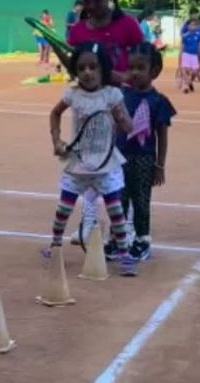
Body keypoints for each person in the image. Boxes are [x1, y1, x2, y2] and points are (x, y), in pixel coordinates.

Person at [46, 42, 138, 276]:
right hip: (78, 162)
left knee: (115, 210)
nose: (87, 72)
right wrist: (56, 140)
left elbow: (129, 127)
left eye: (93, 67)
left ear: (103, 68)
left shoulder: (112, 95)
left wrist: (122, 119)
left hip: (106, 163)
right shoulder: (73, 94)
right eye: (81, 68)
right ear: (75, 71)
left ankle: (125, 254)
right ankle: (55, 246)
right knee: (63, 208)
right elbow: (55, 113)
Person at [61, 0, 144, 246]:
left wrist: (125, 76)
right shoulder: (78, 31)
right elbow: (75, 68)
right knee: (89, 163)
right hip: (90, 105)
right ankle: (89, 222)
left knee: (121, 165)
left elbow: (143, 60)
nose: (92, 5)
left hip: (121, 101)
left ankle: (127, 225)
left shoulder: (128, 25)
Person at [105, 42, 176, 262]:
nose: (134, 73)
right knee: (119, 199)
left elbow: (162, 135)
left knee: (141, 200)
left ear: (154, 71)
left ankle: (142, 240)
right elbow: (113, 125)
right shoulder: (121, 95)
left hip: (144, 159)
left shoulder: (159, 101)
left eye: (140, 68)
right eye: (131, 67)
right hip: (120, 157)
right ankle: (117, 238)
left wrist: (160, 165)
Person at [181, 18, 200, 93]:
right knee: (186, 70)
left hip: (195, 55)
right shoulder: (185, 36)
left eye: (194, 25)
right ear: (188, 26)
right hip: (186, 54)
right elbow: (182, 48)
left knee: (195, 71)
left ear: (197, 27)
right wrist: (180, 56)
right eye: (191, 25)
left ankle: (190, 81)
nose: (192, 26)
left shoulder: (198, 36)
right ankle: (186, 86)